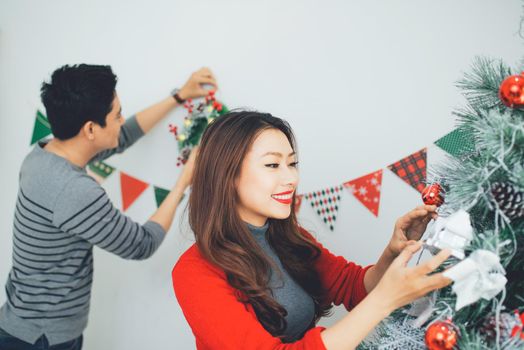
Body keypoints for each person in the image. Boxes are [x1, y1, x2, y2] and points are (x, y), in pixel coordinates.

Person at [172, 111, 452, 349]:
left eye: (292, 163)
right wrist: (382, 301)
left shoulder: (288, 238)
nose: (290, 178)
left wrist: (393, 252)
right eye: (272, 165)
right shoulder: (194, 271)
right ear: (227, 175)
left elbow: (352, 286)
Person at [0, 64, 216, 349]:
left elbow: (121, 136)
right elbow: (142, 244)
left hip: (19, 322)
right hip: (44, 338)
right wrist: (182, 183)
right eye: (116, 114)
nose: (121, 119)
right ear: (90, 129)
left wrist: (178, 97)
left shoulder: (43, 152)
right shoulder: (74, 191)